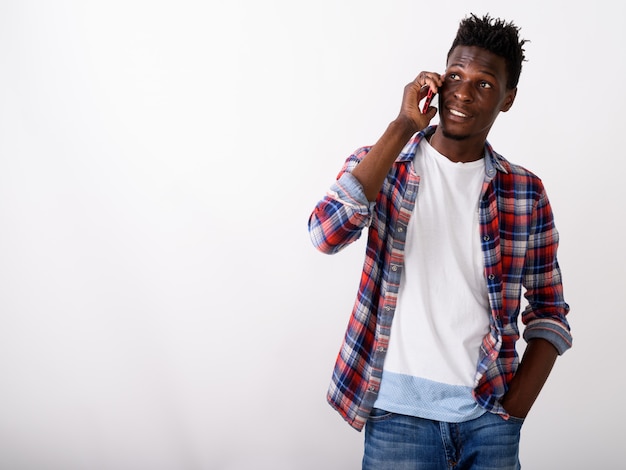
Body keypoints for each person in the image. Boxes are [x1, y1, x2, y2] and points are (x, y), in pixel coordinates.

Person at [307, 13, 572, 470]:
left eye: (484, 84)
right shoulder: (385, 164)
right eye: (455, 76)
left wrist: (513, 412)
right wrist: (401, 125)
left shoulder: (525, 192)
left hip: (489, 420)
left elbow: (550, 310)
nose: (464, 93)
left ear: (507, 99)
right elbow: (325, 234)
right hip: (397, 420)